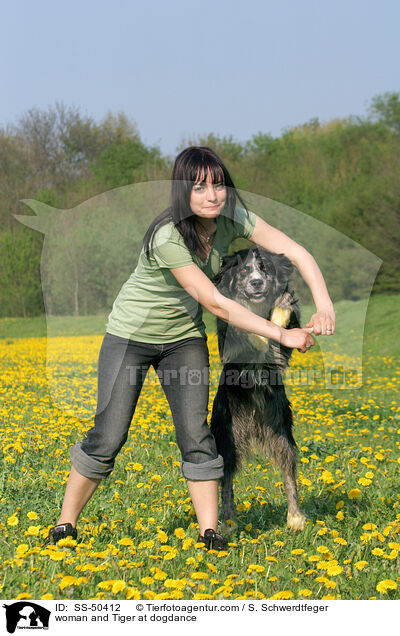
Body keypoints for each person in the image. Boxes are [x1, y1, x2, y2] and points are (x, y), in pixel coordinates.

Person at [44, 146, 335, 551]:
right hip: (130, 337)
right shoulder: (167, 235)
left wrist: (324, 304)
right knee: (109, 435)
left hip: (183, 340)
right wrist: (281, 334)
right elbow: (215, 302)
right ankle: (65, 523)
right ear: (183, 192)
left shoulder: (234, 221)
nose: (211, 195)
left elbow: (296, 252)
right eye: (199, 187)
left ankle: (210, 532)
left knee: (198, 435)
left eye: (218, 185)